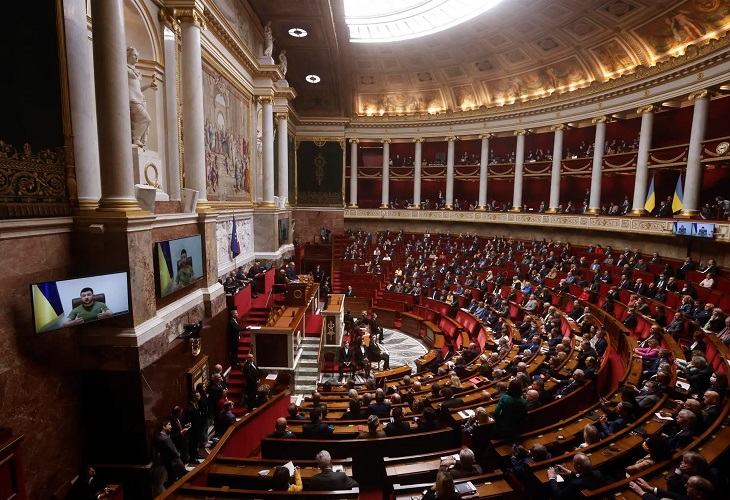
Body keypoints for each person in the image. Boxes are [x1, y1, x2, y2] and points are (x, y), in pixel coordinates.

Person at [126, 46, 156, 147]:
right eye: (134, 55)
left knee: (144, 120)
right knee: (146, 119)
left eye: (137, 56)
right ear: (128, 55)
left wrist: (149, 86)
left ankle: (137, 140)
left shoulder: (136, 71)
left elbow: (138, 88)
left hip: (139, 98)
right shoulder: (124, 68)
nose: (137, 58)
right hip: (131, 98)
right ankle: (136, 138)